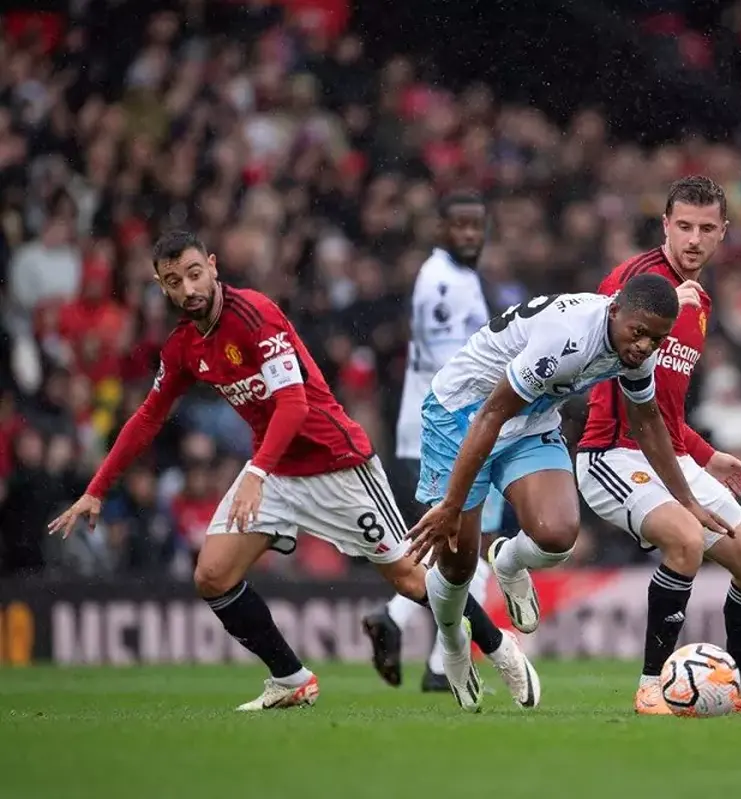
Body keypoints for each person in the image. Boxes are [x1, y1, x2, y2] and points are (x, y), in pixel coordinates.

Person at [48, 230, 539, 713]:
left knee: (413, 582)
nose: (188, 289)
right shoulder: (183, 347)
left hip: (338, 467)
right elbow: (148, 416)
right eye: (174, 281)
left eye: (195, 274)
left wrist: (256, 475)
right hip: (275, 472)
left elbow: (293, 405)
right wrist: (96, 489)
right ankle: (290, 678)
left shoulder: (255, 314)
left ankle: (501, 650)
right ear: (161, 285)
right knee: (213, 575)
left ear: (214, 266)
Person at [405, 274, 734, 708]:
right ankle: (451, 646)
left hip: (528, 421)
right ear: (615, 310)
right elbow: (489, 415)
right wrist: (450, 504)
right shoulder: (568, 339)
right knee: (457, 566)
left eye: (656, 339)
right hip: (462, 415)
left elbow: (649, 421)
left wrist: (688, 500)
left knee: (558, 534)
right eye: (639, 333)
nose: (644, 346)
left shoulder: (637, 343)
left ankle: (507, 560)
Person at [576, 176, 741, 714]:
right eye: (683, 226)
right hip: (613, 454)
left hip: (670, 455)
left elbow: (664, 407)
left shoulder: (699, 300)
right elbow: (597, 356)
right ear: (665, 226)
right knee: (685, 539)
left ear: (723, 233)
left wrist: (705, 454)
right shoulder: (636, 282)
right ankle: (651, 685)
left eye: (706, 228)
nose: (693, 239)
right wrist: (657, 314)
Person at [363, 191, 515, 693]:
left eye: (477, 225)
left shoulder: (461, 277)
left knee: (454, 542)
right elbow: (456, 370)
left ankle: (409, 635)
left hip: (450, 428)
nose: (470, 234)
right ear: (440, 230)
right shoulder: (442, 284)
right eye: (460, 225)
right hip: (452, 429)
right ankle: (430, 657)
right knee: (473, 544)